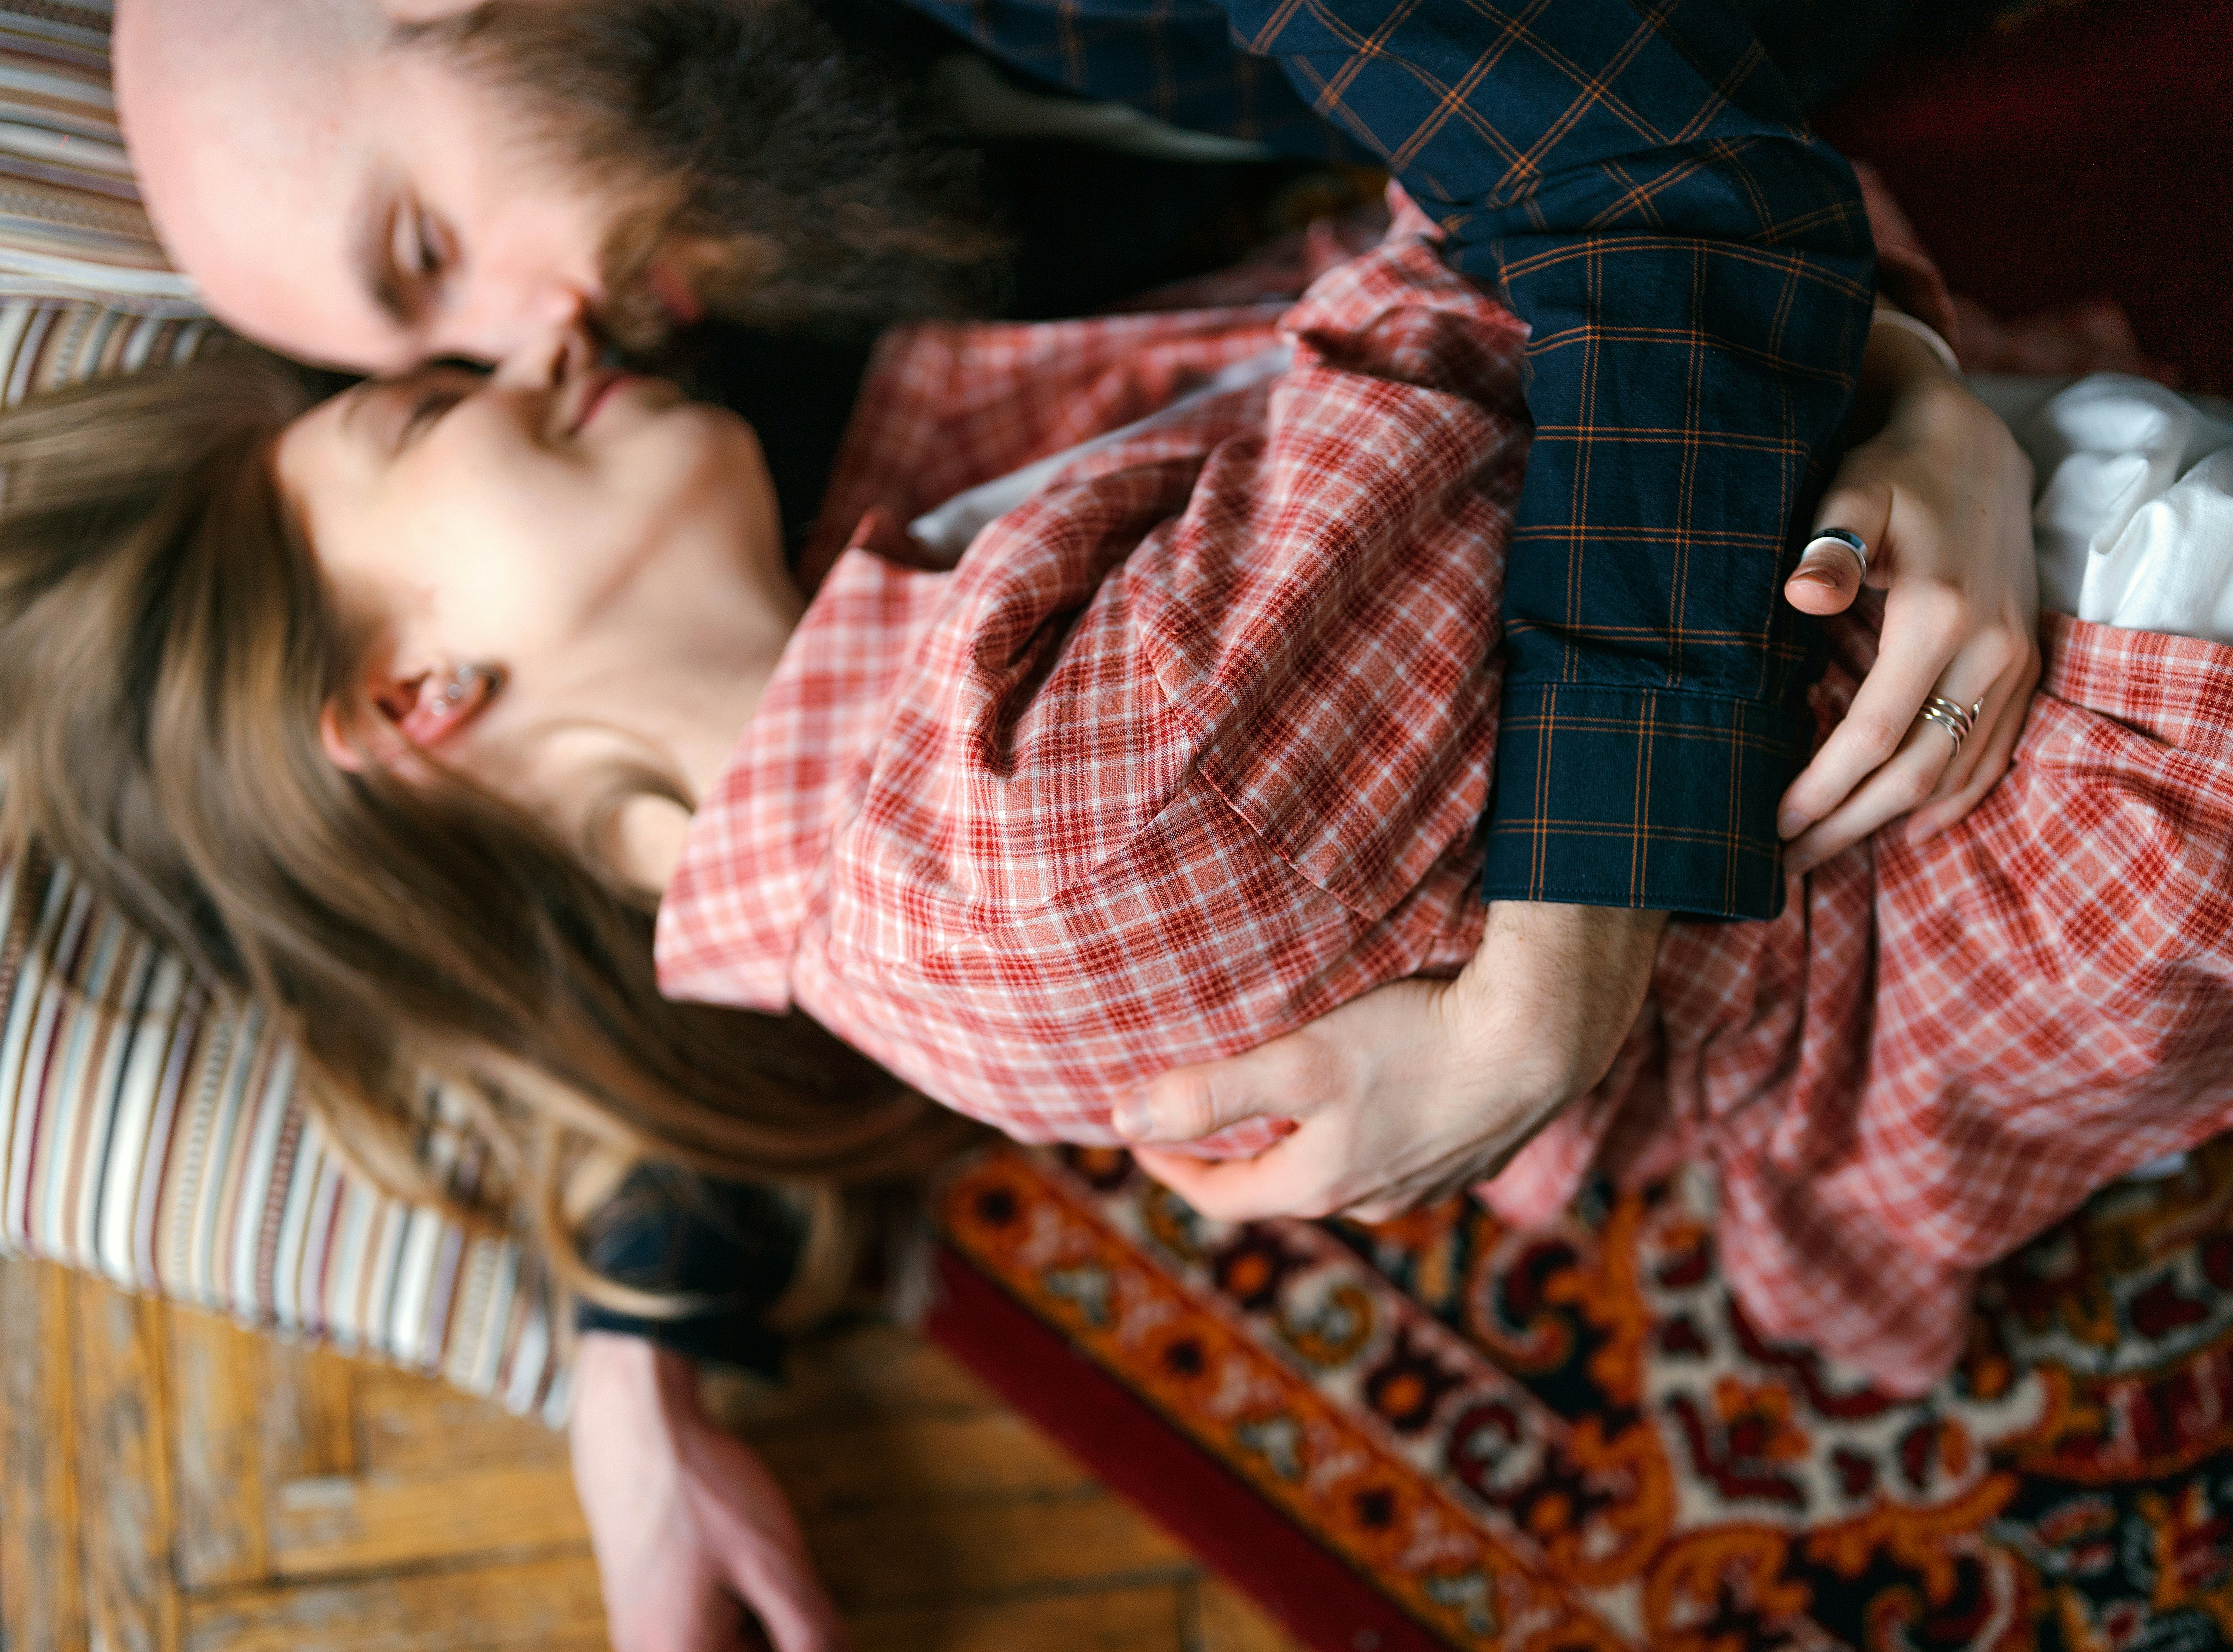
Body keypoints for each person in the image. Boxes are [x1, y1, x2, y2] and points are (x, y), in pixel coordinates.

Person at [0, 194, 2233, 1652]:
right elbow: (1596, 242)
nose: (547, 339)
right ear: (417, 700)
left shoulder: (888, 675)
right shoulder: (1035, 831)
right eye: (433, 414)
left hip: (2201, 728)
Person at [106, 0, 2050, 1225]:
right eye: (429, 367)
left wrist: (1551, 983)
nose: (549, 327)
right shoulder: (758, 320)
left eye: (429, 251)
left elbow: (1613, 195)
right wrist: (645, 1322)